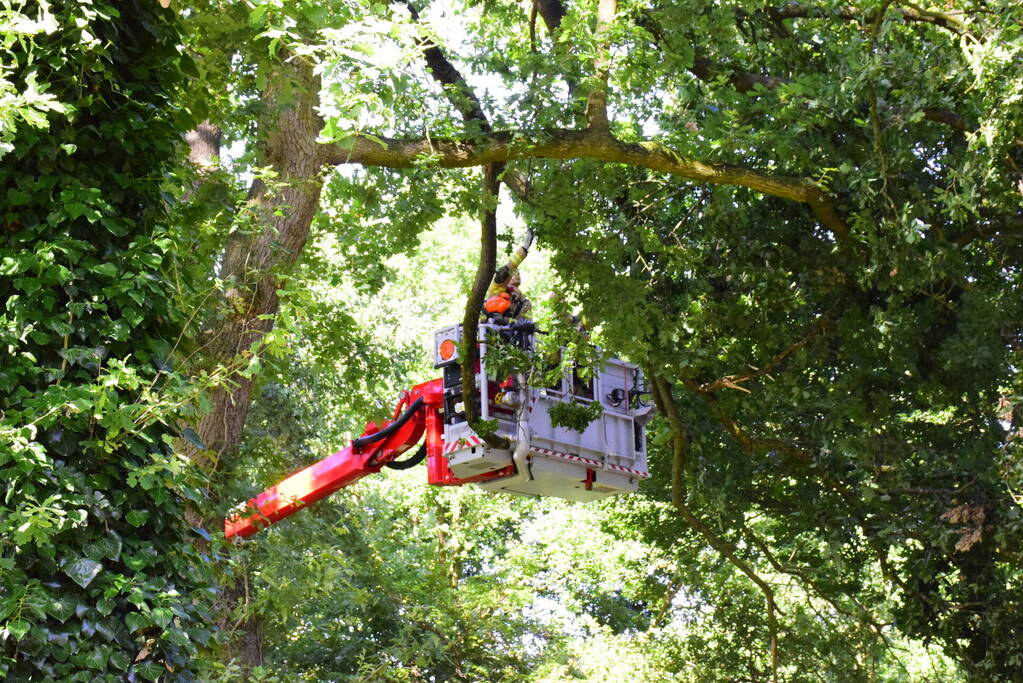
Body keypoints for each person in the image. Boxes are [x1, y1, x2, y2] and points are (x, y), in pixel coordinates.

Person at [484, 235, 532, 320]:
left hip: (513, 330)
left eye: (518, 274)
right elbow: (505, 271)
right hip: (492, 329)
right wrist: (523, 250)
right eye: (514, 274)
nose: (517, 276)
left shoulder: (524, 300)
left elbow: (527, 324)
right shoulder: (497, 290)